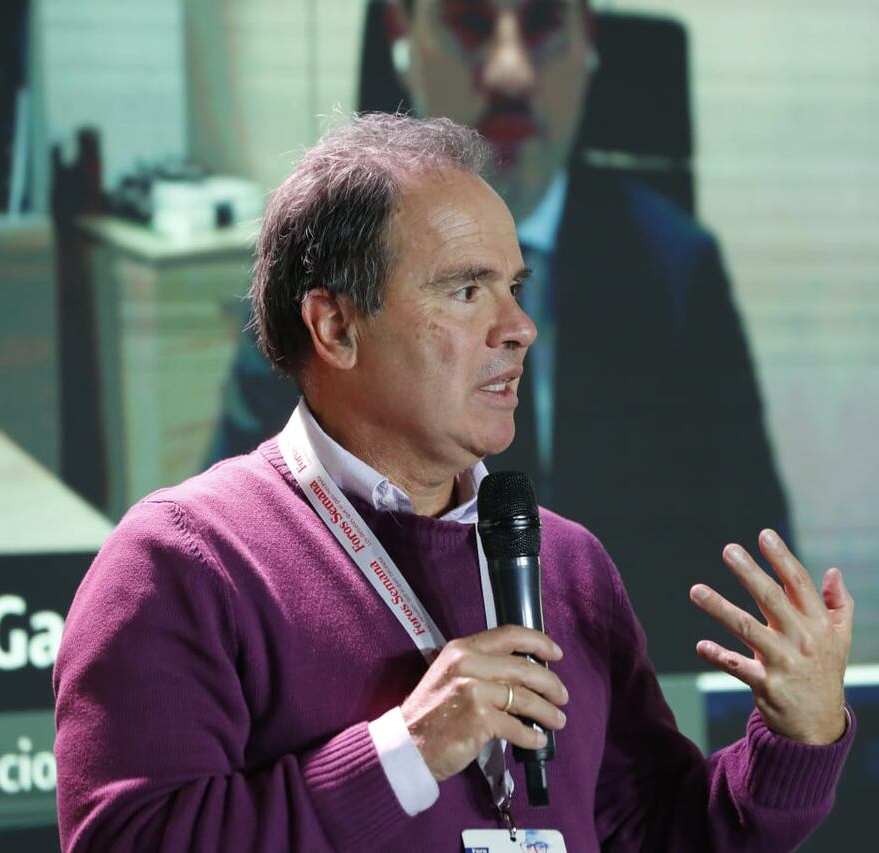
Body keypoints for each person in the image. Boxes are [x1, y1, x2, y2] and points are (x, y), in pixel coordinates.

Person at [54, 114, 855, 850]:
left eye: (516, 288)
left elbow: (653, 834)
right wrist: (406, 750)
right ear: (336, 326)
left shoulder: (567, 563)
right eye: (468, 290)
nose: (519, 328)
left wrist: (798, 740)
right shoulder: (182, 562)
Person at [208, 0, 790, 672]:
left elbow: (753, 577)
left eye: (542, 27)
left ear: (587, 41)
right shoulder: (323, 268)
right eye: (471, 24)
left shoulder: (676, 269)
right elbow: (239, 559)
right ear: (403, 32)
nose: (511, 71)